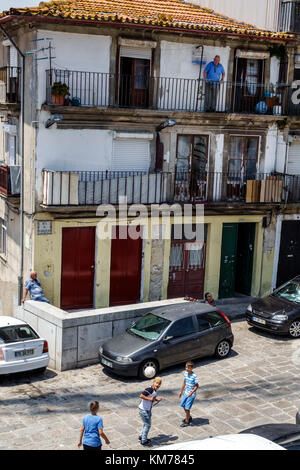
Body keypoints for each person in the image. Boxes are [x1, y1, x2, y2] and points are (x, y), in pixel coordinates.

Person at [138, 377, 163, 446]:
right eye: (157, 383)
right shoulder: (150, 389)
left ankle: (141, 436)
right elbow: (141, 395)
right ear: (153, 382)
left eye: (159, 384)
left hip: (147, 410)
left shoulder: (154, 390)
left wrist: (157, 400)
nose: (158, 385)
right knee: (147, 425)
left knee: (145, 424)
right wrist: (149, 399)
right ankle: (143, 440)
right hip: (144, 410)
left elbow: (152, 398)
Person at [179, 361, 199, 427]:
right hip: (186, 392)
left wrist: (191, 393)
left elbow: (197, 386)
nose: (186, 368)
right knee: (183, 405)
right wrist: (181, 392)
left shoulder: (194, 376)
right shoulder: (185, 374)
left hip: (191, 394)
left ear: (191, 368)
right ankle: (189, 416)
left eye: (188, 367)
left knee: (187, 408)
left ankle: (187, 421)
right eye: (186, 367)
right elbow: (184, 383)